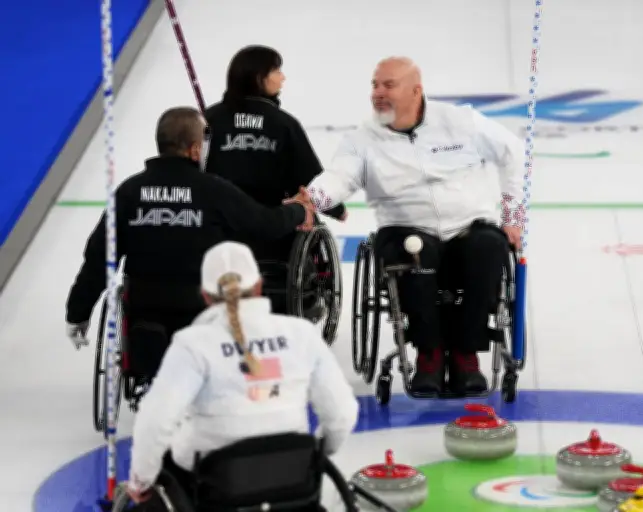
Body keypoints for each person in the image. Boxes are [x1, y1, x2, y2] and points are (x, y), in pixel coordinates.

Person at [288, 56, 526, 396]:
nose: (378, 93)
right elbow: (339, 178)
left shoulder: (460, 121)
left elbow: (513, 151)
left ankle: (465, 355)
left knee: (488, 248)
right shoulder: (362, 140)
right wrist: (312, 198)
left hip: (468, 224)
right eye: (375, 85)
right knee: (413, 255)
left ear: (416, 91)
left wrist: (512, 217)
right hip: (405, 227)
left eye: (389, 85)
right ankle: (429, 356)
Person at [65, 106, 315, 382]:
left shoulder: (129, 192)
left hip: (145, 313)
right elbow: (266, 224)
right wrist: (298, 210)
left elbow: (99, 258)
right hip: (202, 316)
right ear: (195, 150)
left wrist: (78, 312)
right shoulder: (214, 190)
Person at [124, 241, 359, 509]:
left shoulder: (193, 344)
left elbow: (155, 420)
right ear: (258, 286)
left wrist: (140, 480)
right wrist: (316, 454)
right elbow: (342, 413)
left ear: (205, 296)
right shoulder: (301, 333)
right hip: (295, 482)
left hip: (217, 489)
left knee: (168, 466)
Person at [202, 45, 347, 310]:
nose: (283, 77)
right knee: (302, 213)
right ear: (259, 77)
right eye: (277, 71)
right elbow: (308, 177)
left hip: (218, 226)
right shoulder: (282, 124)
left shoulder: (208, 120)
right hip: (272, 225)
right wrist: (336, 208)